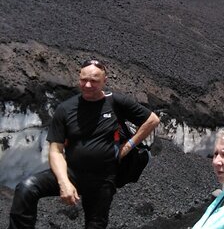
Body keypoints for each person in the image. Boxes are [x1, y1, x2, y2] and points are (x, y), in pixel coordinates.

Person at [8, 59, 160, 229]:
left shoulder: (115, 102)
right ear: (79, 78)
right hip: (73, 173)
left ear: (104, 81)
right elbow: (56, 150)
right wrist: (64, 182)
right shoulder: (66, 109)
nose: (88, 85)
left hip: (103, 178)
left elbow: (152, 120)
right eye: (84, 80)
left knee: (95, 224)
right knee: (27, 188)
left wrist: (128, 147)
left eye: (94, 81)